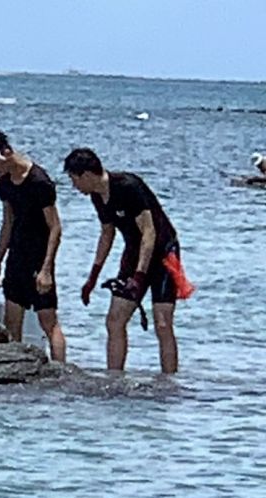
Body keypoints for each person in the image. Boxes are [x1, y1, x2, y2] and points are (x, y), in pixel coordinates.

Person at [63, 148, 193, 375]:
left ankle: (169, 383)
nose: (74, 186)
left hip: (163, 253)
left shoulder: (128, 186)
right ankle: (115, 377)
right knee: (114, 320)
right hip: (134, 253)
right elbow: (107, 233)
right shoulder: (97, 195)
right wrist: (92, 277)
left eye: (74, 180)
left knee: (162, 324)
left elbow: (149, 232)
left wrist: (140, 276)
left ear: (86, 174)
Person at [0, 129, 66, 362]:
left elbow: (55, 227)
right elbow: (7, 223)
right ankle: (14, 368)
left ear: (6, 153)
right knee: (12, 319)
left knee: (47, 320)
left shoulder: (39, 181)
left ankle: (62, 372)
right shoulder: (4, 182)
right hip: (16, 255)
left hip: (39, 256)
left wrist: (46, 269)